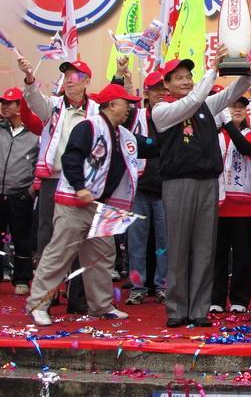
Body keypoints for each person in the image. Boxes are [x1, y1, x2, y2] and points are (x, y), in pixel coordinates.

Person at [25, 83, 157, 326]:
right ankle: (39, 305)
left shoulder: (123, 135)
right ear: (111, 105)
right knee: (59, 254)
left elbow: (151, 146)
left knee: (102, 256)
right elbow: (71, 158)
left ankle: (101, 306)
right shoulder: (88, 127)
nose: (129, 108)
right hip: (76, 202)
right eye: (126, 103)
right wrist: (80, 187)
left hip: (102, 206)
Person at [151, 48, 251, 328]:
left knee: (204, 248)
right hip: (179, 184)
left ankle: (199, 309)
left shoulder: (205, 106)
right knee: (179, 247)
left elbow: (231, 94)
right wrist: (213, 70)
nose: (186, 81)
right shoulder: (162, 110)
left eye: (188, 76)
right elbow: (195, 99)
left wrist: (248, 74)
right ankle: (176, 309)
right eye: (179, 78)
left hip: (208, 183)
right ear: (167, 84)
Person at [18, 57, 99, 314]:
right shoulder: (53, 106)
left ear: (87, 82)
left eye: (75, 77)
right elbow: (34, 101)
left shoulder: (96, 111)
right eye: (66, 77)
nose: (69, 82)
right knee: (48, 239)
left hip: (83, 182)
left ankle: (78, 298)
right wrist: (29, 78)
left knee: (81, 240)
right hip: (53, 181)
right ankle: (47, 296)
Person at [211, 95, 251, 314]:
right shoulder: (214, 135)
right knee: (217, 255)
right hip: (218, 204)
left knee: (242, 255)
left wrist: (228, 123)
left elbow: (246, 148)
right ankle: (216, 298)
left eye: (242, 107)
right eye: (233, 106)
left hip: (244, 205)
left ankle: (240, 299)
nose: (238, 110)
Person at [125, 72, 167, 305]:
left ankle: (163, 285)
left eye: (164, 89)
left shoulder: (174, 115)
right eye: (155, 89)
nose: (160, 93)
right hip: (139, 189)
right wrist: (122, 77)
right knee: (136, 243)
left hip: (166, 188)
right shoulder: (135, 116)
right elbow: (117, 103)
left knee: (165, 243)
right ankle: (137, 287)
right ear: (147, 93)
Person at [0, 87, 39, 295]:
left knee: (22, 239)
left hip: (21, 194)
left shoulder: (35, 132)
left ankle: (22, 279)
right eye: (3, 103)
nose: (4, 106)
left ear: (20, 106)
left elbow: (41, 162)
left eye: (9, 103)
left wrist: (31, 191)